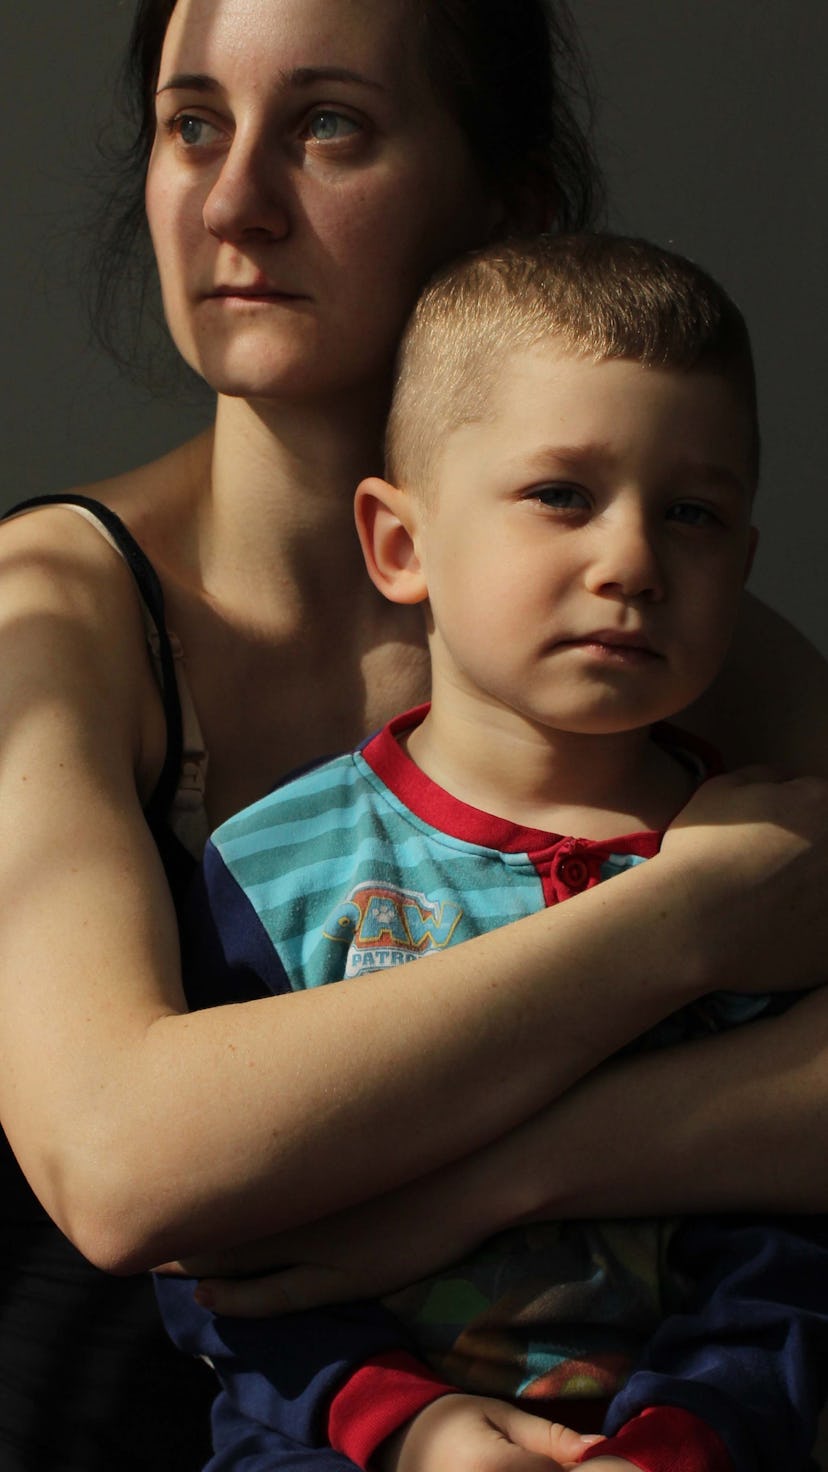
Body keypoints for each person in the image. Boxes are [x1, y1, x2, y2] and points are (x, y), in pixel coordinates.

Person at [2, 2, 828, 1469]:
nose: (235, 200)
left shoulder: (655, 616)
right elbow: (121, 1166)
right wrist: (691, 916)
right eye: (193, 122)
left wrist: (502, 1179)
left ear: (509, 205)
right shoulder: (49, 609)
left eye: (327, 125)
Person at [157, 233, 828, 1472]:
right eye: (562, 494)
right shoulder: (278, 864)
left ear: (740, 559)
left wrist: (688, 1431)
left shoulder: (764, 870)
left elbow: (786, 1234)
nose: (630, 562)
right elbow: (219, 1253)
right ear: (399, 542)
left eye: (691, 512)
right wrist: (412, 1425)